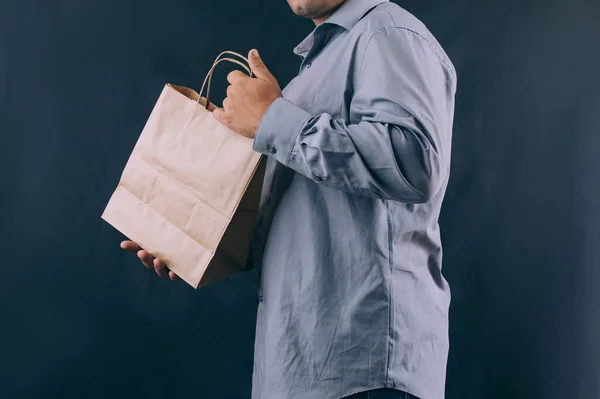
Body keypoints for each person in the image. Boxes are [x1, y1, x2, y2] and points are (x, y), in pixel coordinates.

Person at [121, 0, 457, 398]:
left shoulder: (387, 32)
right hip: (299, 371)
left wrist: (272, 119)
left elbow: (414, 161)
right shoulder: (311, 77)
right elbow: (306, 221)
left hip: (362, 374)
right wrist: (186, 240)